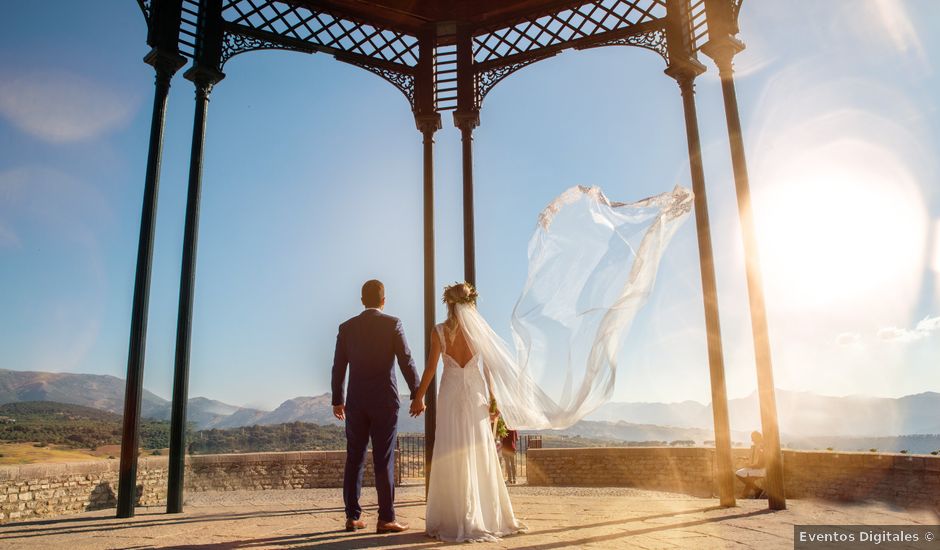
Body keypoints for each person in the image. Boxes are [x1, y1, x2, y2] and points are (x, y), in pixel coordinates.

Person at [410, 282, 526, 542]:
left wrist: (418, 397)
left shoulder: (439, 331)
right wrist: (494, 399)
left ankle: (453, 516)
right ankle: (484, 515)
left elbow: (430, 370)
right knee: (478, 449)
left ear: (448, 303)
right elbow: (489, 370)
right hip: (476, 396)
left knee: (451, 448)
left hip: (450, 394)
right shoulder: (478, 333)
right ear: (470, 303)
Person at [331, 279, 420, 534]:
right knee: (384, 459)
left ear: (362, 300)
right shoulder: (392, 324)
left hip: (356, 403)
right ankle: (386, 518)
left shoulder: (346, 328)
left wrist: (338, 399)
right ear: (384, 300)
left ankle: (352, 517)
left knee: (354, 458)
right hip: (384, 401)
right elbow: (406, 359)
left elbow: (339, 366)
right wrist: (416, 393)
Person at [735, 430, 766, 498]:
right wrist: (745, 458)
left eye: (753, 438)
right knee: (742, 475)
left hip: (761, 469)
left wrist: (750, 465)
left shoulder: (762, 447)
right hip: (753, 468)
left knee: (745, 476)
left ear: (757, 438)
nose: (751, 440)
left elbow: (761, 463)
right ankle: (757, 490)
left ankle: (745, 495)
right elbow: (753, 459)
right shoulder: (754, 447)